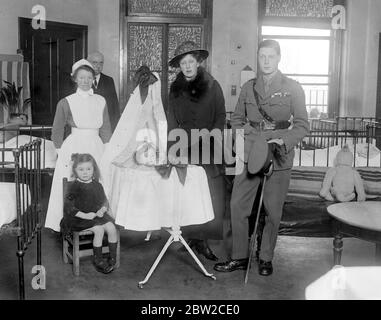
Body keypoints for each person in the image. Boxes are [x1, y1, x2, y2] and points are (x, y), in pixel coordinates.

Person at [214, 39, 309, 276]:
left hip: (278, 156)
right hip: (250, 153)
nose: (266, 61)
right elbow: (236, 119)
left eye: (271, 56)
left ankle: (265, 257)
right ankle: (239, 257)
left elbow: (302, 125)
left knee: (273, 211)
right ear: (258, 58)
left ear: (279, 58)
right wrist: (241, 136)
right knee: (237, 206)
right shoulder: (248, 87)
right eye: (262, 57)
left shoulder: (293, 87)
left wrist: (284, 141)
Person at [166, 41, 226, 261]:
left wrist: (215, 136)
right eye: (183, 62)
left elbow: (220, 116)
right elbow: (172, 120)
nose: (188, 66)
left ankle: (205, 241)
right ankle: (191, 238)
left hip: (208, 145)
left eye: (191, 61)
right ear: (179, 66)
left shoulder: (212, 84)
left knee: (210, 193)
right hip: (184, 146)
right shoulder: (174, 88)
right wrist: (172, 148)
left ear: (198, 62)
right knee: (188, 193)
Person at [45, 59, 112, 232]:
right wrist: (62, 153)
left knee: (98, 181)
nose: (85, 81)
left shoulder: (101, 100)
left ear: (93, 79)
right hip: (74, 145)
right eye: (81, 77)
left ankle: (100, 221)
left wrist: (108, 149)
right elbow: (57, 131)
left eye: (89, 77)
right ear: (75, 79)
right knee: (72, 183)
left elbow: (105, 128)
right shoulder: (66, 102)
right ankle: (68, 224)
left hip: (96, 145)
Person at [61, 153, 118, 274]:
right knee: (99, 230)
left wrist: (102, 209)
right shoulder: (74, 186)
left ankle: (112, 258)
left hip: (95, 216)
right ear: (75, 171)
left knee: (111, 228)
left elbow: (104, 201)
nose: (85, 172)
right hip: (79, 217)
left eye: (88, 169)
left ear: (94, 169)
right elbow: (69, 207)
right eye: (81, 169)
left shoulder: (97, 185)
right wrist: (85, 215)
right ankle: (99, 260)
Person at [87, 51, 120, 132]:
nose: (98, 66)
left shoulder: (109, 80)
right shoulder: (82, 81)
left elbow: (114, 107)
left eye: (101, 63)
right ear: (88, 63)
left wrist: (115, 128)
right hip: (88, 127)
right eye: (95, 62)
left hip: (106, 127)